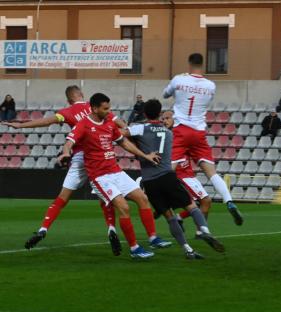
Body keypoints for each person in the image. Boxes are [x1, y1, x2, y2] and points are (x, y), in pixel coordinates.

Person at [4, 86, 129, 255]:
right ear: (82, 95)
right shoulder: (98, 107)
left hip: (79, 157)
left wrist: (21, 126)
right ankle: (111, 228)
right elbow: (118, 122)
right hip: (99, 156)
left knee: (62, 197)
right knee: (106, 195)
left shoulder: (68, 111)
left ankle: (43, 229)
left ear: (69, 100)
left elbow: (47, 121)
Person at [58, 93, 168, 259]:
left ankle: (153, 237)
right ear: (94, 109)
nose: (109, 111)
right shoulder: (84, 124)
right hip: (100, 176)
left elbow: (124, 142)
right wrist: (66, 153)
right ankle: (134, 249)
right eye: (105, 108)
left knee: (143, 198)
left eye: (109, 108)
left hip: (116, 171)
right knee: (124, 207)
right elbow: (69, 143)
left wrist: (145, 156)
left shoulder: (109, 124)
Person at [122, 100, 224, 260]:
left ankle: (187, 250)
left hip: (150, 181)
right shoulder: (170, 134)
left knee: (169, 217)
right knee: (191, 206)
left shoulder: (140, 128)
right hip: (167, 176)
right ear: (159, 114)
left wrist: (135, 143)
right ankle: (204, 231)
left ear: (145, 114)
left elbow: (120, 134)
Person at [163, 53, 243, 226]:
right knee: (211, 172)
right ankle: (229, 200)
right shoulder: (210, 85)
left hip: (181, 129)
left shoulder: (179, 79)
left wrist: (179, 87)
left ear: (189, 63)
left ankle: (161, 201)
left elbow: (165, 94)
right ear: (203, 64)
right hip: (199, 132)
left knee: (169, 169)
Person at [161, 110, 213, 234]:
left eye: (167, 118)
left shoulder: (181, 134)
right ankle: (201, 232)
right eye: (163, 119)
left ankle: (180, 219)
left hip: (189, 174)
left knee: (197, 203)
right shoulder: (165, 136)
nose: (164, 121)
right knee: (206, 201)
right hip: (181, 175)